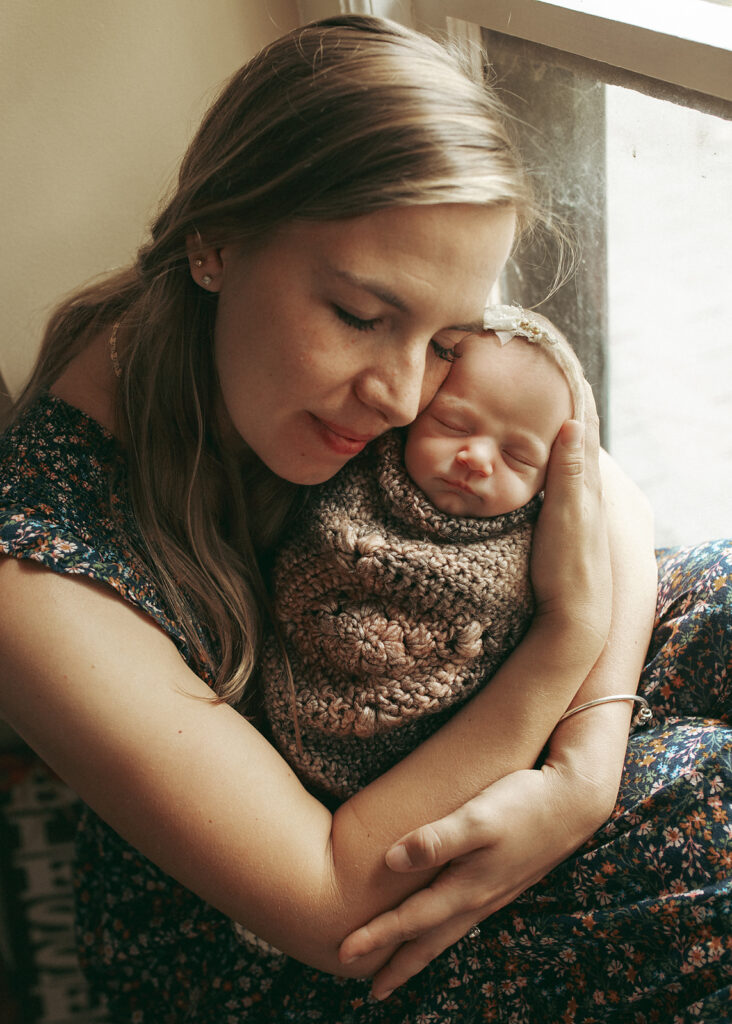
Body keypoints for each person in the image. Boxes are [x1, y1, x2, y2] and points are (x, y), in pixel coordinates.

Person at [0, 14, 728, 1024]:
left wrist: (583, 766)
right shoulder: (36, 576)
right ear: (213, 238)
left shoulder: (347, 357)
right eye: (358, 315)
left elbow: (596, 487)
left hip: (478, 698)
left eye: (449, 339)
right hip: (304, 942)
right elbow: (331, 900)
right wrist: (564, 642)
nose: (401, 397)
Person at [264, 308, 598, 803]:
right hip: (312, 777)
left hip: (482, 749)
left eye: (518, 457)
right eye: (453, 423)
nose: (477, 459)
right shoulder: (346, 470)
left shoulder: (543, 541)